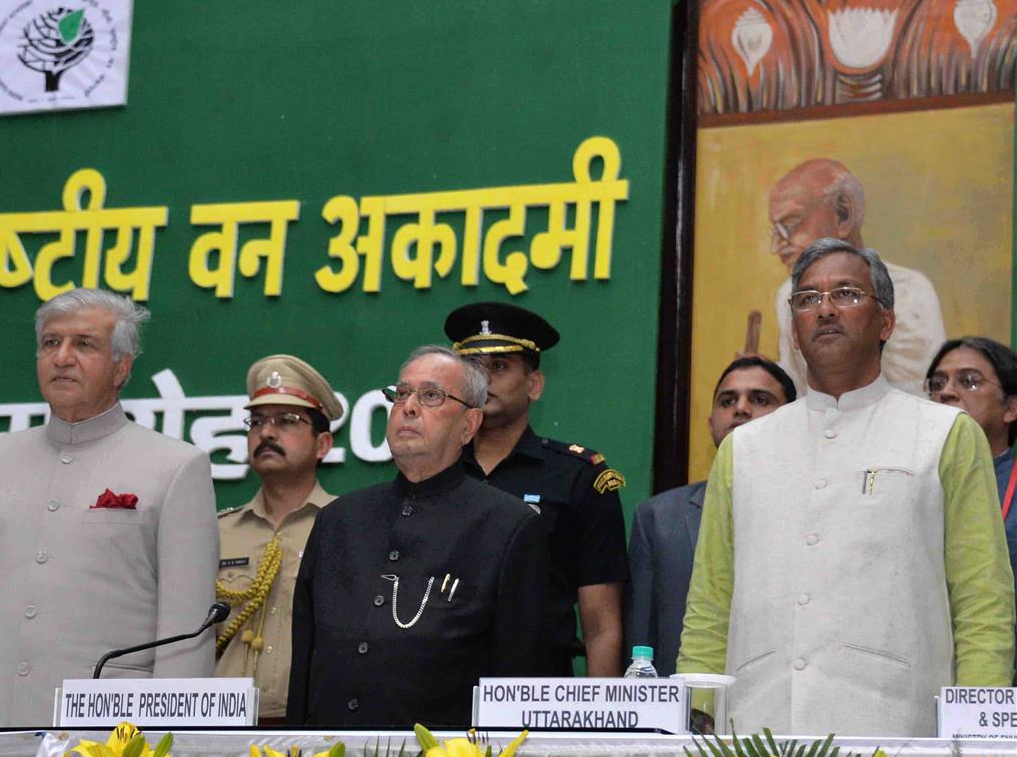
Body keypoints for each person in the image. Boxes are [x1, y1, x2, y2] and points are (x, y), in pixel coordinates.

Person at [679, 238, 1014, 736]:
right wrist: (696, 708)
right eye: (808, 299)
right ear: (794, 329)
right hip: (756, 730)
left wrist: (978, 731)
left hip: (897, 725)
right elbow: (710, 601)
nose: (826, 310)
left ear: (886, 322)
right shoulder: (745, 448)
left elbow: (981, 599)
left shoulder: (944, 434)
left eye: (847, 294)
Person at [0, 289, 218, 727]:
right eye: (50, 343)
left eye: (84, 344)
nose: (62, 357)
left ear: (121, 368)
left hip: (108, 738)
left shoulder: (175, 467)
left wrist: (169, 744)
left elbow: (185, 633)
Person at [286, 346, 553, 728]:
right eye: (401, 394)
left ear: (469, 424)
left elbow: (519, 680)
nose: (409, 407)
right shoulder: (338, 521)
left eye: (431, 396)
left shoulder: (508, 526)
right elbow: (307, 663)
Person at [445, 302, 628, 676]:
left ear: (534, 384)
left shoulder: (577, 476)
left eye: (499, 366)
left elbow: (602, 626)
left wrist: (599, 728)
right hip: (438, 686)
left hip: (536, 692)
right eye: (473, 369)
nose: (484, 380)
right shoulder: (436, 469)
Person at [625, 356, 795, 676]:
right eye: (727, 401)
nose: (741, 409)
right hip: (687, 707)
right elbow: (640, 642)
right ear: (710, 422)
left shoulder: (813, 508)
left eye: (760, 399)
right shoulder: (659, 517)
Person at [215, 354, 342, 722]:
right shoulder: (216, 533)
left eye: (286, 421)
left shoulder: (347, 528)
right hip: (220, 729)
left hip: (312, 727)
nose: (266, 433)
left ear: (322, 444)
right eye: (257, 422)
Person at [768, 158, 945, 397]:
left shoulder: (910, 293)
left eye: (789, 225)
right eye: (809, 299)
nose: (777, 246)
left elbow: (919, 400)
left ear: (843, 213)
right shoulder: (787, 295)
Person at [926, 336, 1017, 682]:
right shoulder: (912, 482)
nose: (946, 392)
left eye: (969, 381)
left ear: (1011, 408)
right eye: (937, 383)